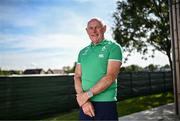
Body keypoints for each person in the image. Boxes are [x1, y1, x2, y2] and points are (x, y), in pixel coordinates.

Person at [74, 18, 123, 120]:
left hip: (105, 103)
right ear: (87, 31)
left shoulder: (114, 48)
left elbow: (110, 77)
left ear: (104, 29)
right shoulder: (82, 52)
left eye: (97, 27)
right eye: (91, 28)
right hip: (85, 105)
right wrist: (84, 101)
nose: (94, 31)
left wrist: (86, 96)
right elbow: (77, 76)